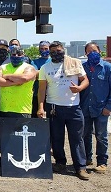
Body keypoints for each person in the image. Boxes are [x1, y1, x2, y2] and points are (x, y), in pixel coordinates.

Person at [37, 41, 89, 180]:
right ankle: (60, 163)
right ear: (49, 52)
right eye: (52, 51)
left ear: (63, 50)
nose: (56, 53)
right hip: (54, 107)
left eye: (58, 51)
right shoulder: (45, 68)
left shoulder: (74, 63)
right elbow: (42, 90)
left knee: (77, 138)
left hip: (73, 108)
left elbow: (85, 80)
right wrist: (41, 107)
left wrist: (79, 88)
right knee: (56, 137)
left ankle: (80, 167)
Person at [0, 46, 38, 159]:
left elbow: (25, 78)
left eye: (19, 54)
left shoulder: (29, 68)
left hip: (22, 109)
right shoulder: (3, 67)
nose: (16, 56)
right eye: (13, 55)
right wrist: (15, 82)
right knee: (3, 136)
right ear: (9, 55)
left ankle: (18, 160)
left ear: (24, 55)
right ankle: (4, 159)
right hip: (5, 108)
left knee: (19, 138)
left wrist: (7, 77)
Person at [81, 42, 110, 174]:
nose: (92, 53)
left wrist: (109, 106)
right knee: (85, 134)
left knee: (101, 135)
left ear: (99, 51)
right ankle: (87, 158)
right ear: (86, 54)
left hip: (101, 108)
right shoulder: (82, 68)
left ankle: (102, 162)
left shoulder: (107, 68)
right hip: (85, 107)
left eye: (94, 50)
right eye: (89, 51)